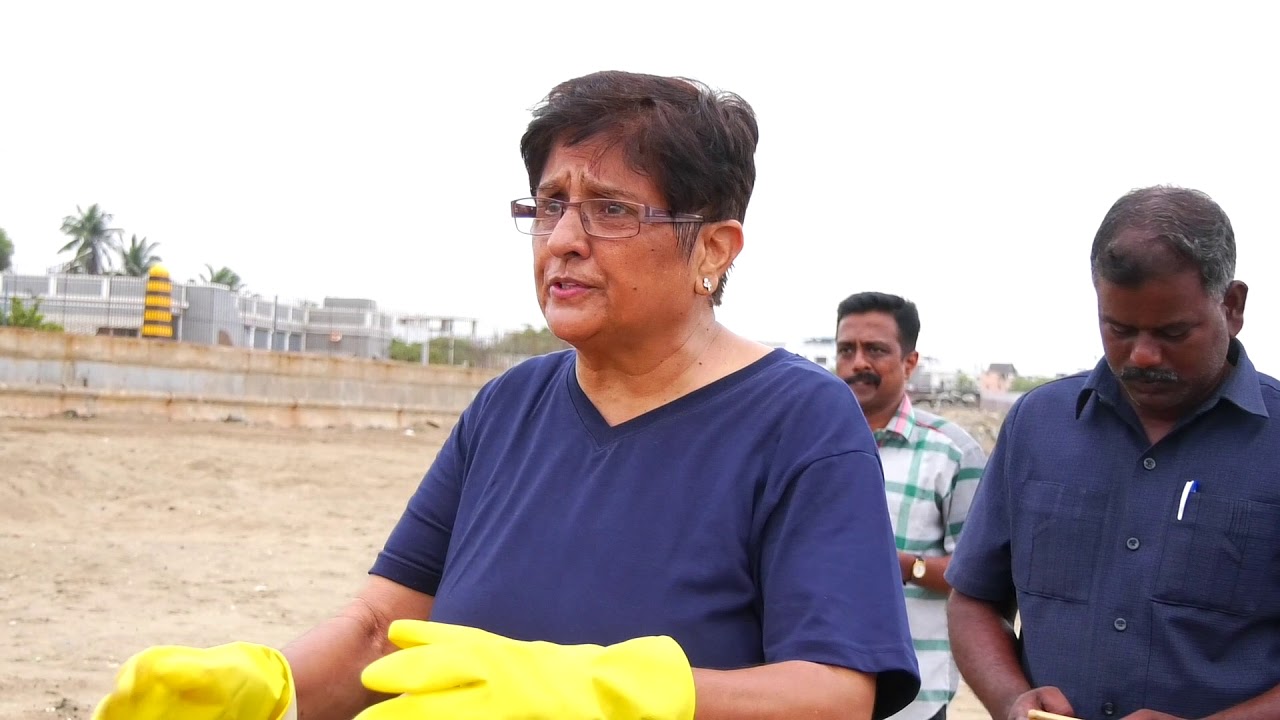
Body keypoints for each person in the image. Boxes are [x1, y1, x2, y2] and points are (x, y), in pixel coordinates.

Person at [93, 70, 920, 720]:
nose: (563, 240)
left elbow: (835, 695)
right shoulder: (508, 407)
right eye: (550, 204)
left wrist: (613, 694)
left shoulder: (801, 420)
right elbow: (384, 629)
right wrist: (274, 692)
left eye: (610, 210)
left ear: (713, 246)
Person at [945, 185, 1280, 720]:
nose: (1143, 355)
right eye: (1118, 329)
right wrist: (1010, 698)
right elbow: (974, 600)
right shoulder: (1038, 425)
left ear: (1233, 306)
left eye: (1173, 332)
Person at [835, 291, 987, 720]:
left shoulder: (953, 452)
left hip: (910, 698)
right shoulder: (806, 443)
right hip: (813, 688)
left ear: (910, 362)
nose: (858, 362)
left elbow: (978, 578)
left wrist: (901, 564)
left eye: (876, 350)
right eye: (847, 350)